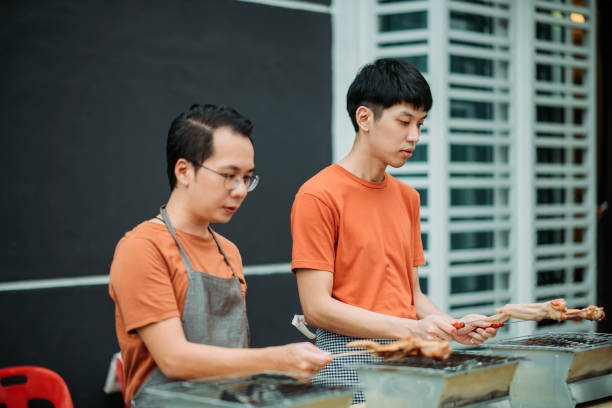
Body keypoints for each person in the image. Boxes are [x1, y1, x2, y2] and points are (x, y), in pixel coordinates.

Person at [290, 59, 498, 405]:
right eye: (404, 122)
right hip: (348, 364)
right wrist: (412, 329)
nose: (414, 136)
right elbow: (316, 308)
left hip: (410, 362)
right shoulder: (318, 195)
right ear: (365, 118)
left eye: (420, 124)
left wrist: (454, 326)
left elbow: (413, 298)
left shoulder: (407, 198)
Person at [109, 104, 331, 407]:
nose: (240, 190)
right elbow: (174, 359)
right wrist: (278, 359)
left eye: (247, 177)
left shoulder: (229, 252)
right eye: (229, 175)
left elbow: (231, 362)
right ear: (184, 171)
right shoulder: (142, 247)